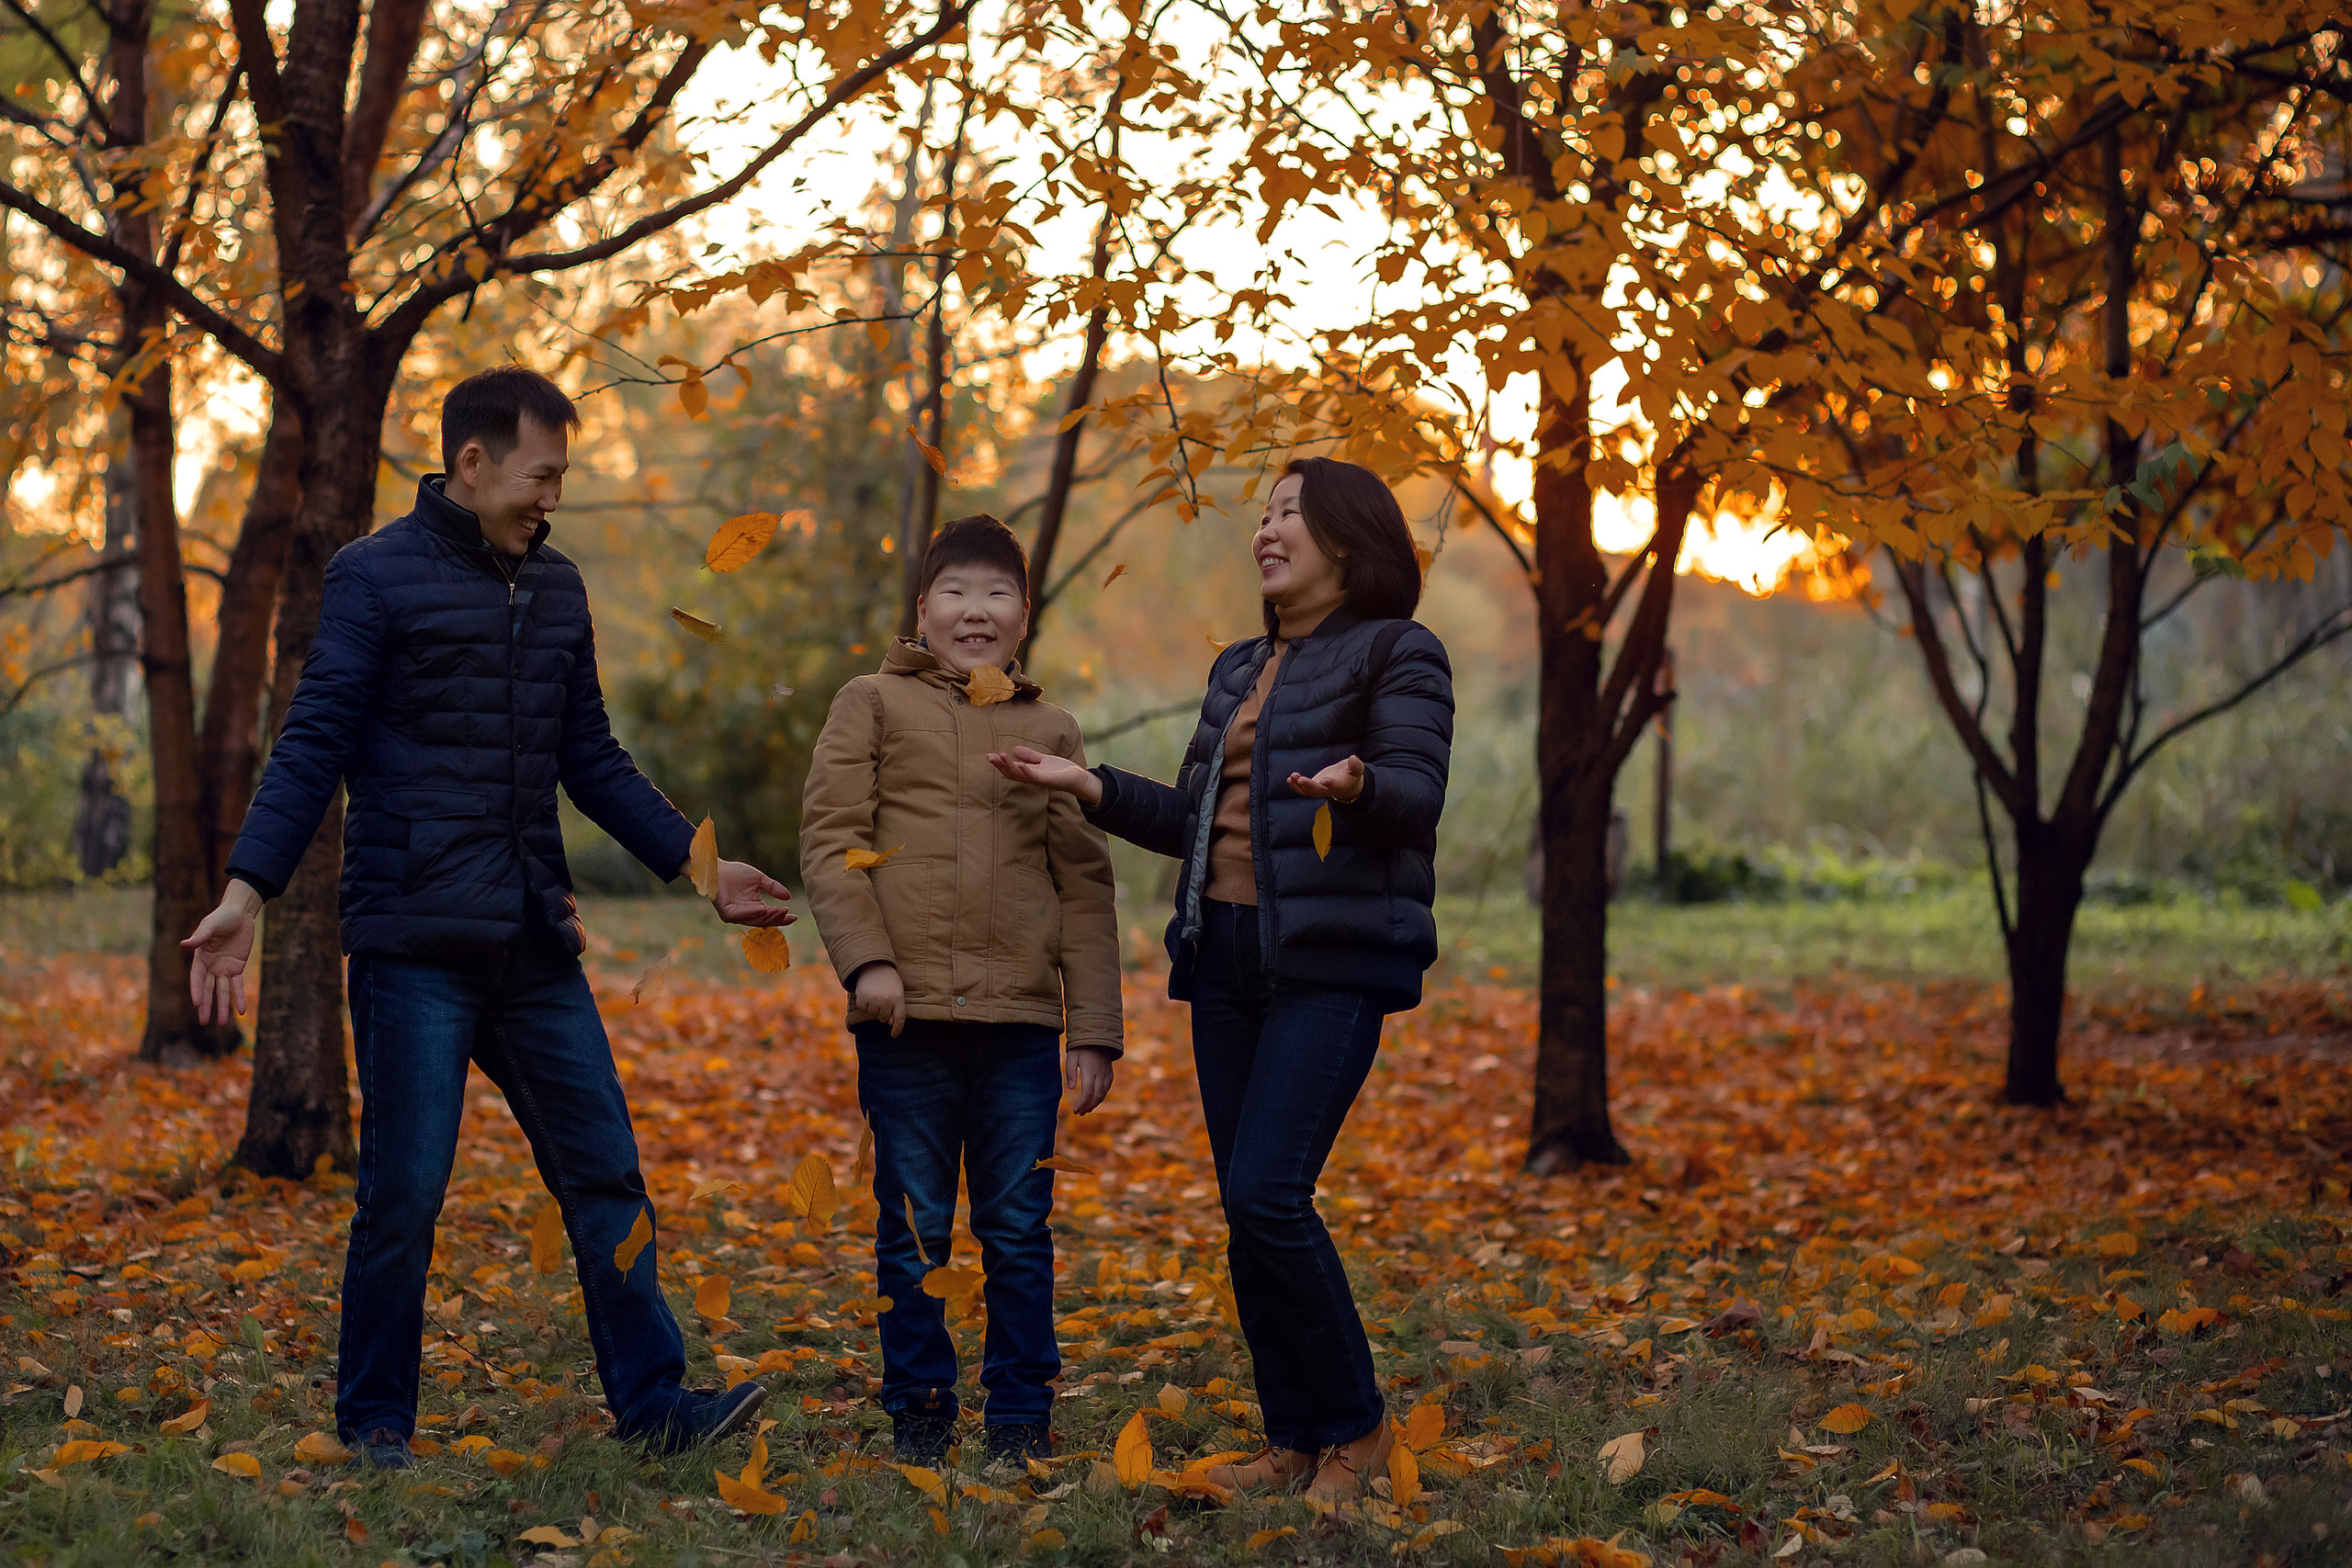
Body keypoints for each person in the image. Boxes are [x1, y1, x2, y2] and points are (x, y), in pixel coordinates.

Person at [180, 366, 794, 1468]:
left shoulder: (555, 587)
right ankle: (375, 1426)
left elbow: (590, 756)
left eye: (560, 478)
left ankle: (656, 1406)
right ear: (471, 463)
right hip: (414, 941)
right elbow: (315, 739)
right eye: (539, 475)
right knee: (405, 1195)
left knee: (605, 1174)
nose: (551, 497)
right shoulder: (372, 576)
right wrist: (245, 892)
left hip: (531, 940)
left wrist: (701, 869)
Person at [988, 457, 1453, 1503]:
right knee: (1246, 1214)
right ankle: (1293, 1439)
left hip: (1331, 961)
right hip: (1225, 959)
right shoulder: (1240, 666)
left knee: (1267, 1195)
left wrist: (1360, 783)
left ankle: (1357, 1427)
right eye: (1265, 514)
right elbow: (1191, 819)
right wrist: (1088, 783)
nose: (1266, 531)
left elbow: (1418, 792)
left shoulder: (1399, 651)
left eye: (1291, 513)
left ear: (1349, 539)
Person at [800, 514, 1121, 1468]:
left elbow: (1083, 886)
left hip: (1020, 1024)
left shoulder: (1051, 729)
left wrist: (1092, 1027)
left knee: (1018, 1226)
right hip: (907, 1020)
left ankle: (1019, 1413)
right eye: (955, 591)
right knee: (913, 1229)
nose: (975, 610)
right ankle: (921, 1410)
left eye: (996, 594)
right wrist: (868, 962)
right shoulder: (870, 703)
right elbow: (832, 840)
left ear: (1023, 615)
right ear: (922, 609)